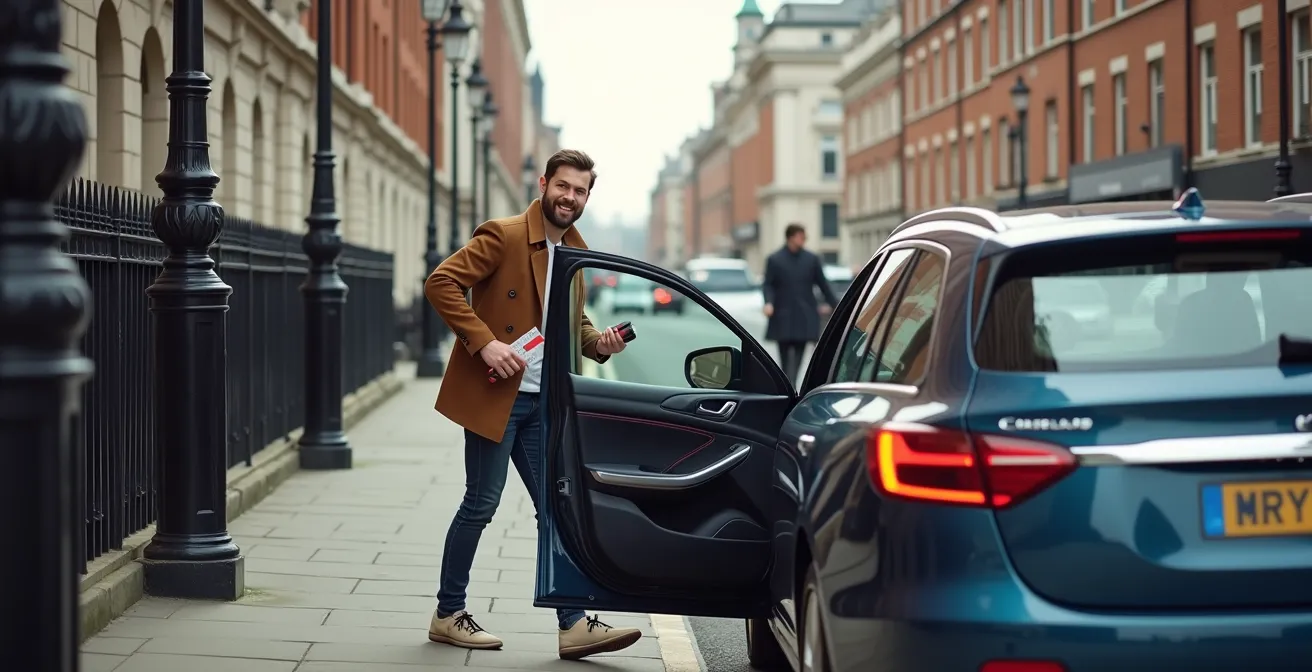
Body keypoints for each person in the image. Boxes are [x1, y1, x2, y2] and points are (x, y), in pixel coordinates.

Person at [423, 149, 642, 660]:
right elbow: (442, 282)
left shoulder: (577, 251)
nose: (569, 197)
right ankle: (447, 614)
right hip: (497, 397)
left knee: (556, 508)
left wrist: (598, 343)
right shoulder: (502, 235)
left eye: (580, 191)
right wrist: (484, 342)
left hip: (544, 404)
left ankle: (572, 624)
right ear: (544, 183)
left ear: (589, 197)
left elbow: (573, 323)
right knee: (481, 504)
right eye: (562, 186)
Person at [762, 223, 839, 384]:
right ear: (791, 237)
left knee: (799, 353)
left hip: (804, 313)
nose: (804, 240)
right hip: (782, 313)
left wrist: (838, 306)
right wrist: (768, 302)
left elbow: (823, 284)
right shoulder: (775, 259)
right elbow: (768, 284)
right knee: (784, 354)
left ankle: (792, 383)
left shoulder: (811, 259)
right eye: (801, 237)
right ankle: (787, 383)